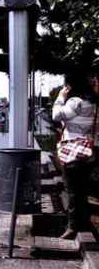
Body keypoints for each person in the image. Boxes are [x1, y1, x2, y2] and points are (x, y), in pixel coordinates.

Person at [53, 73, 99, 239]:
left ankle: (72, 227)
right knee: (83, 190)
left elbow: (56, 116)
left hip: (74, 151)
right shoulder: (95, 104)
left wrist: (60, 97)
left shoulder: (76, 102)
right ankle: (84, 223)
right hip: (91, 151)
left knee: (73, 190)